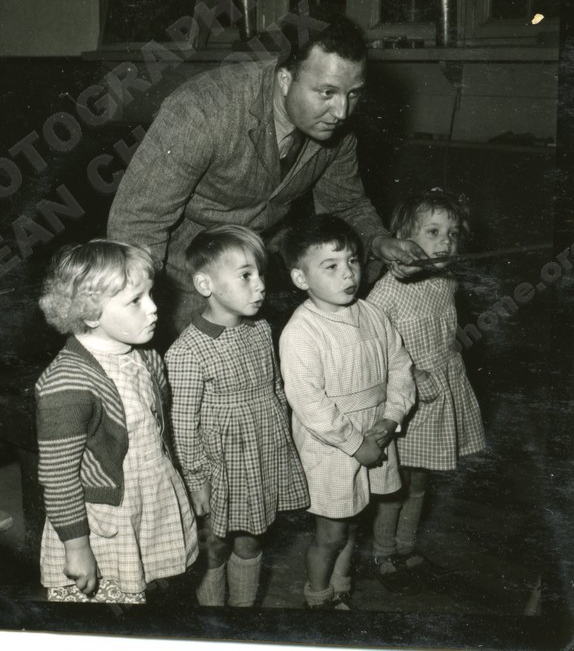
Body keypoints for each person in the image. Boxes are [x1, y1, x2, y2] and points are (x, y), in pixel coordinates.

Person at [107, 8, 425, 340]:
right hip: (179, 276)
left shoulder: (337, 132)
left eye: (353, 93)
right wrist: (140, 305)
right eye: (327, 93)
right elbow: (137, 221)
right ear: (285, 80)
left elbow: (345, 205)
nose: (342, 111)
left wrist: (380, 241)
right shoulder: (201, 111)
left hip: (258, 273)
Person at [35, 239, 198, 604]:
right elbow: (59, 478)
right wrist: (77, 547)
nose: (154, 308)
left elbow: (160, 433)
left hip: (151, 500)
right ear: (91, 313)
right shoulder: (66, 384)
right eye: (135, 300)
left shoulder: (147, 359)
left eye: (150, 294)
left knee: (157, 598)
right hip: (105, 523)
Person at [164, 224, 309, 607]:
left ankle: (243, 617)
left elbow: (276, 389)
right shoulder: (187, 352)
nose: (260, 285)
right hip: (220, 467)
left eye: (261, 274)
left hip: (262, 455)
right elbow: (182, 426)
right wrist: (196, 480)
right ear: (205, 284)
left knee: (251, 540)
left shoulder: (260, 330)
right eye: (245, 275)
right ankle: (214, 621)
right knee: (214, 545)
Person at [278, 214, 415, 609]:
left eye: (353, 260)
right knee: (331, 533)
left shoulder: (373, 314)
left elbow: (400, 367)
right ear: (301, 278)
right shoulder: (301, 331)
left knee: (354, 523)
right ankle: (317, 598)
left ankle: (341, 587)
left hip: (376, 431)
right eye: (331, 266)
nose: (348, 273)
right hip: (332, 446)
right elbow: (310, 404)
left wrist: (391, 418)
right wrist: (356, 445)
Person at [365, 188, 486, 592]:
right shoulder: (386, 292)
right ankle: (383, 552)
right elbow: (372, 347)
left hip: (441, 393)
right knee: (396, 481)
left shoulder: (446, 281)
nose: (445, 241)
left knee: (420, 481)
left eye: (452, 233)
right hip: (408, 400)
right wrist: (413, 374)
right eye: (433, 231)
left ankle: (406, 545)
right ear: (403, 239)